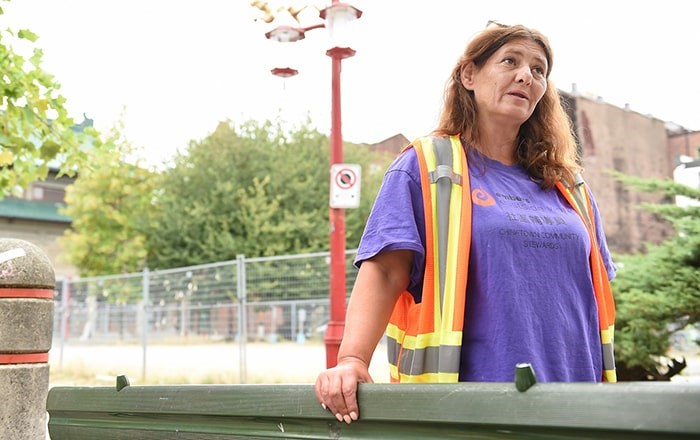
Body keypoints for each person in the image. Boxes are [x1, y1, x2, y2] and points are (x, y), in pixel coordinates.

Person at [315, 22, 617, 424]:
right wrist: (351, 359)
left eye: (539, 70)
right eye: (510, 61)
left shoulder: (569, 186)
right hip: (471, 409)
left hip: (576, 407)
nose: (526, 75)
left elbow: (592, 296)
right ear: (469, 75)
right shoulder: (426, 167)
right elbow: (386, 271)